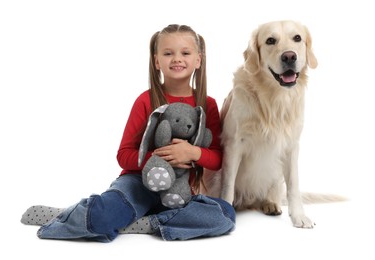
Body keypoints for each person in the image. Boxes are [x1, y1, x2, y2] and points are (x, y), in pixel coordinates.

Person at [21, 24, 235, 242]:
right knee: (103, 215)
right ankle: (70, 214)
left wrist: (191, 153)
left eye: (185, 53)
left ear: (198, 60)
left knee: (225, 215)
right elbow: (124, 155)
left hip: (177, 193)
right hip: (137, 183)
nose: (177, 59)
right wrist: (160, 158)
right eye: (168, 53)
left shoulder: (207, 105)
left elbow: (217, 159)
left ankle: (142, 223)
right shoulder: (145, 100)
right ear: (157, 61)